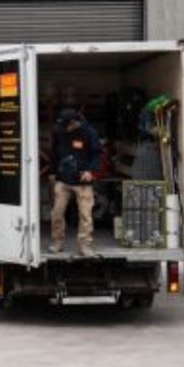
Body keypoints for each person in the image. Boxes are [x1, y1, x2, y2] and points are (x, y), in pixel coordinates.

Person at [49, 109, 102, 257]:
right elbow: (53, 152)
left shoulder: (89, 133)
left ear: (74, 123)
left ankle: (85, 246)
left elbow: (97, 154)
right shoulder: (59, 130)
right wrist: (52, 173)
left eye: (67, 126)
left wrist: (91, 171)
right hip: (63, 179)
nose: (64, 129)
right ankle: (57, 243)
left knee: (85, 214)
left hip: (83, 181)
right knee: (57, 212)